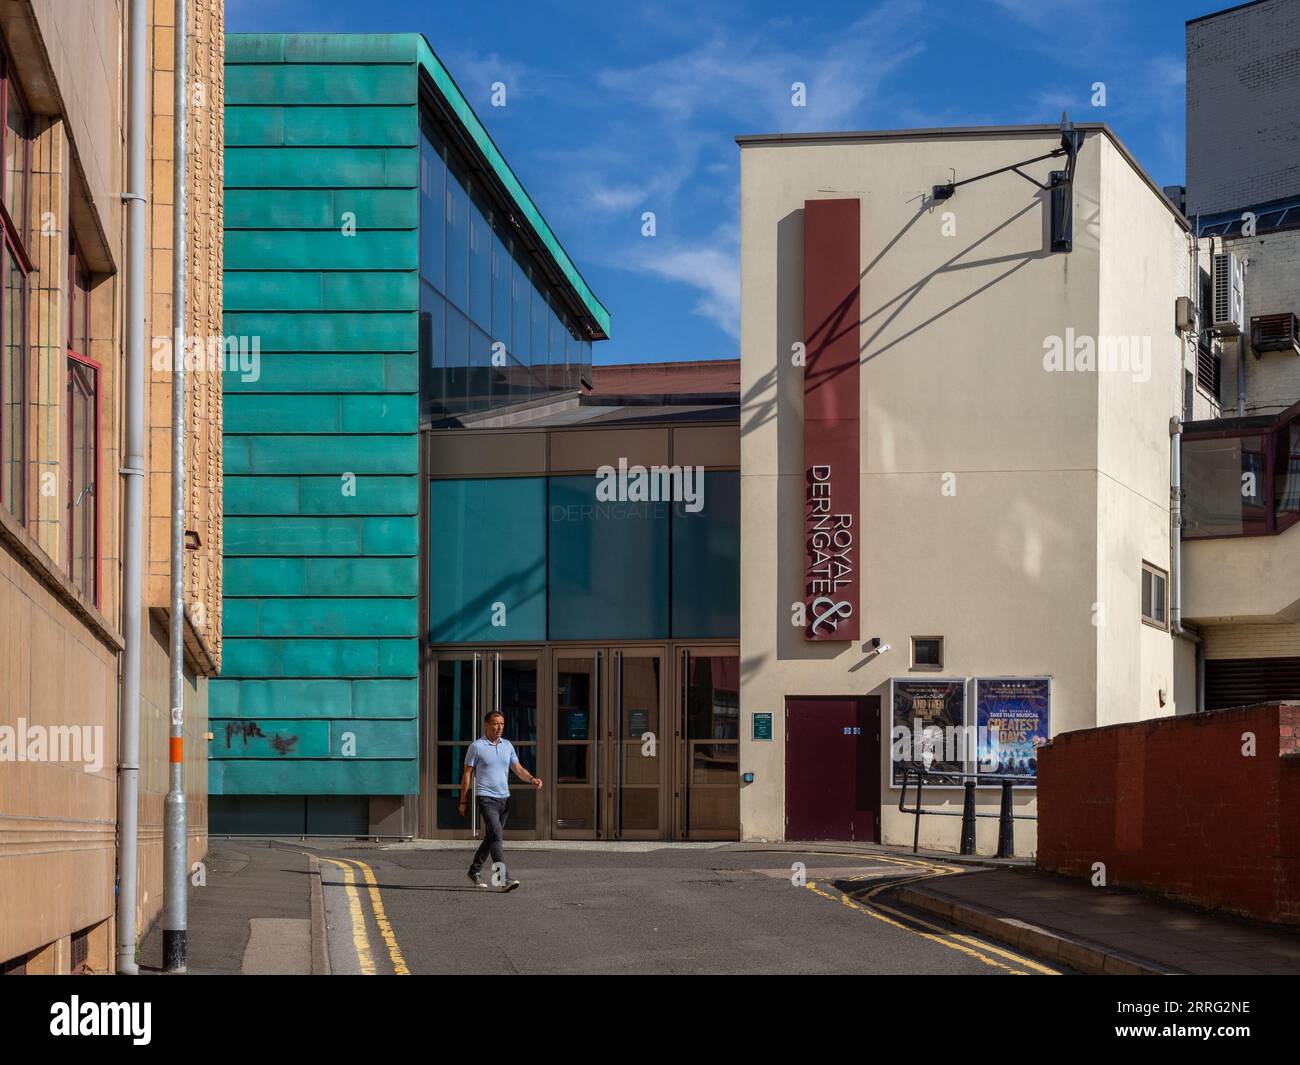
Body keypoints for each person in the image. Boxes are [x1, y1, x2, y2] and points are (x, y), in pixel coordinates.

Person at [459, 710, 543, 891]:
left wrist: (531, 779)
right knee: (497, 836)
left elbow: (518, 768)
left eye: (502, 724)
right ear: (487, 725)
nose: (500, 727)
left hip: (504, 799)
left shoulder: (508, 746)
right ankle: (503, 880)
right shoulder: (477, 747)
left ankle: (474, 871)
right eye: (496, 723)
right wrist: (463, 801)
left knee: (491, 837)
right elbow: (467, 775)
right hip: (486, 797)